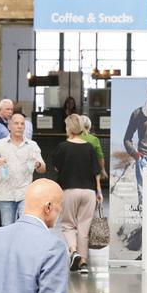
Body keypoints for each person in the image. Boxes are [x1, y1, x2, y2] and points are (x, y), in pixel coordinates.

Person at [49, 114, 103, 274]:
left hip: (69, 190)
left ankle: (74, 251)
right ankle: (83, 263)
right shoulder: (89, 147)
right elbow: (96, 172)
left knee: (68, 225)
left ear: (69, 128)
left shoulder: (62, 147)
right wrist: (99, 191)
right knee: (84, 228)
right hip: (89, 192)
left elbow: (57, 167)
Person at [0, 113, 46, 227]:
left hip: (25, 194)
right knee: (7, 227)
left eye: (22, 124)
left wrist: (38, 164)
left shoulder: (32, 145)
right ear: (9, 126)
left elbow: (43, 169)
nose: (19, 126)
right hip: (6, 195)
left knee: (24, 227)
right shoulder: (0, 144)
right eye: (16, 123)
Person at [79, 115, 106, 181]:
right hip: (89, 173)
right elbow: (100, 157)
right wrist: (103, 170)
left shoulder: (71, 138)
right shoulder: (94, 139)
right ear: (89, 126)